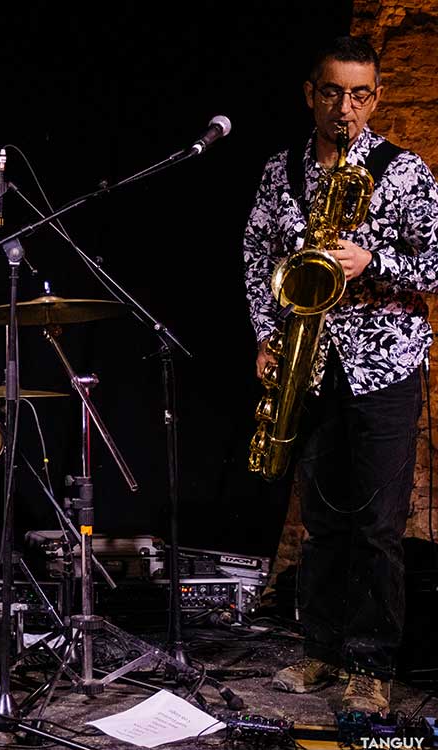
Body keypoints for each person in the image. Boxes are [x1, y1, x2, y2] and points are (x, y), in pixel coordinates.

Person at [243, 35, 438, 714]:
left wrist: (372, 264)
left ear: (376, 98)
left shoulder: (406, 171)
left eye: (360, 95)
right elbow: (257, 251)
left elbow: (437, 264)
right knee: (320, 521)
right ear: (312, 94)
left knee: (378, 526)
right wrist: (266, 334)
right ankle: (321, 650)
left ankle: (372, 666)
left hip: (385, 366)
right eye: (333, 92)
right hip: (311, 363)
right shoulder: (281, 171)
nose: (345, 108)